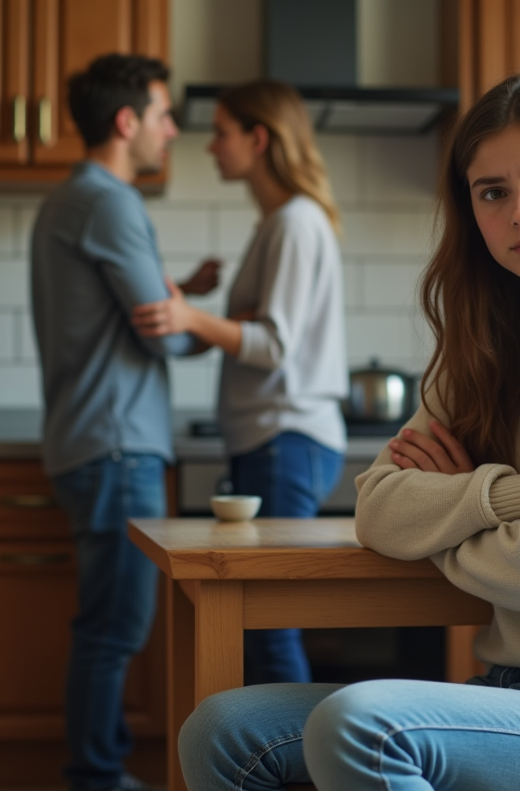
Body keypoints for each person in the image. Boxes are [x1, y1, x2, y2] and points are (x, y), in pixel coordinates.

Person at [176, 71, 520, 791]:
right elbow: (377, 509)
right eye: (493, 192)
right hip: (517, 688)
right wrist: (518, 494)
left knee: (360, 725)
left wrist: (448, 519)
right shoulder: (485, 349)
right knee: (221, 731)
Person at [31, 53, 220, 791]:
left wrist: (184, 294)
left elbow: (137, 308)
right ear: (126, 120)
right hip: (115, 447)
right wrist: (213, 324)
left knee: (108, 625)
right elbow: (162, 334)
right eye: (164, 114)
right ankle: (96, 783)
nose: (172, 129)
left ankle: (99, 774)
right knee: (113, 630)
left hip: (95, 442)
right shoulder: (109, 202)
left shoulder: (74, 200)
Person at [132, 79, 348, 685]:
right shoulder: (280, 223)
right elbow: (252, 332)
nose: (209, 147)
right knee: (263, 620)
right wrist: (197, 309)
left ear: (258, 139)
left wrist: (193, 318)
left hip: (286, 441)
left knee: (270, 624)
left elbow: (273, 345)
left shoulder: (294, 224)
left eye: (221, 133)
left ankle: (303, 768)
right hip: (275, 441)